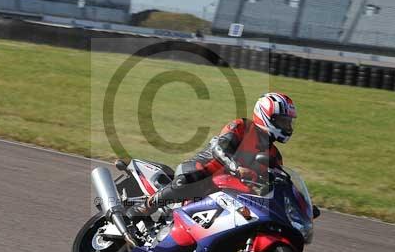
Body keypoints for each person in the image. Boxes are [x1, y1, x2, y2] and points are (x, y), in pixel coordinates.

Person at [127, 92, 297, 221]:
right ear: (266, 116)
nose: (287, 126)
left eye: (289, 122)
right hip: (205, 169)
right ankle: (147, 205)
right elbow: (220, 149)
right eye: (283, 121)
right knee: (187, 180)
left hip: (232, 189)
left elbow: (275, 183)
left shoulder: (275, 155)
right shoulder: (242, 127)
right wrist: (237, 168)